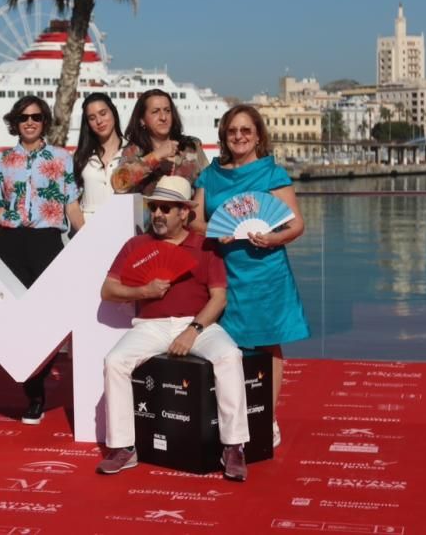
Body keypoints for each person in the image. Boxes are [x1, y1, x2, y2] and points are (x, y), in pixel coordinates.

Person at [96, 175, 249, 481]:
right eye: (154, 207)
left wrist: (193, 329)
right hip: (150, 325)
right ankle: (124, 448)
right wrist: (143, 292)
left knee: (230, 355)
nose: (158, 214)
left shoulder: (206, 246)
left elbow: (219, 299)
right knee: (115, 361)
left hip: (198, 323)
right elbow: (108, 290)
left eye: (167, 208)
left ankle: (233, 446)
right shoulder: (136, 244)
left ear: (184, 213)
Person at [194, 104, 309, 449]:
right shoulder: (210, 175)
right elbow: (195, 221)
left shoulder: (272, 174)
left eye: (246, 130)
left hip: (265, 271)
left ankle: (267, 418)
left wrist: (273, 238)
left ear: (258, 135)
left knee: (268, 343)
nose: (240, 136)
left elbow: (296, 224)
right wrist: (216, 233)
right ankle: (230, 418)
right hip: (222, 270)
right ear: (224, 136)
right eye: (233, 131)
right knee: (226, 346)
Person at [0, 95, 83, 425]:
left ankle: (40, 373)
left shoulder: (61, 158)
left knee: (49, 317)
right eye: (24, 117)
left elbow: (71, 206)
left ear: (45, 121)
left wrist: (89, 240)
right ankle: (35, 392)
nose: (30, 122)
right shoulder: (3, 161)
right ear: (15, 120)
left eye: (37, 117)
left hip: (46, 242)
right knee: (16, 318)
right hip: (10, 244)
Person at [111, 88, 208, 197]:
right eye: (155, 112)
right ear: (142, 120)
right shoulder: (133, 151)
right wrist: (156, 156)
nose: (163, 117)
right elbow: (118, 184)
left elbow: (210, 184)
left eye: (167, 110)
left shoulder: (191, 147)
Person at [72, 92, 124, 218]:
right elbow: (72, 202)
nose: (99, 121)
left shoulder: (133, 151)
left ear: (113, 112)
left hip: (125, 229)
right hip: (88, 231)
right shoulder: (81, 157)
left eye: (103, 113)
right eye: (92, 118)